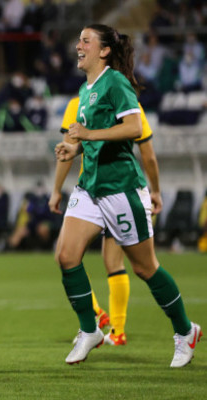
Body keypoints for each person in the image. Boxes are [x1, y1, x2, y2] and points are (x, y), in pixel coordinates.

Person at [53, 24, 201, 367]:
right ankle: (90, 330)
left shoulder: (116, 82)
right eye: (78, 40)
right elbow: (95, 139)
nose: (78, 45)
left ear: (104, 51)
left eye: (85, 40)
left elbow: (134, 128)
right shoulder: (85, 89)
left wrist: (87, 133)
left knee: (145, 268)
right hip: (90, 187)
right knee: (66, 255)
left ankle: (184, 331)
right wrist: (72, 149)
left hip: (121, 188)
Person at [51, 96, 163, 347]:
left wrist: (56, 190)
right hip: (121, 192)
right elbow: (148, 155)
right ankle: (116, 330)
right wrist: (156, 191)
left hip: (92, 193)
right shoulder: (130, 103)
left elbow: (66, 149)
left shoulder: (77, 103)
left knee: (68, 256)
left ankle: (98, 316)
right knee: (115, 262)